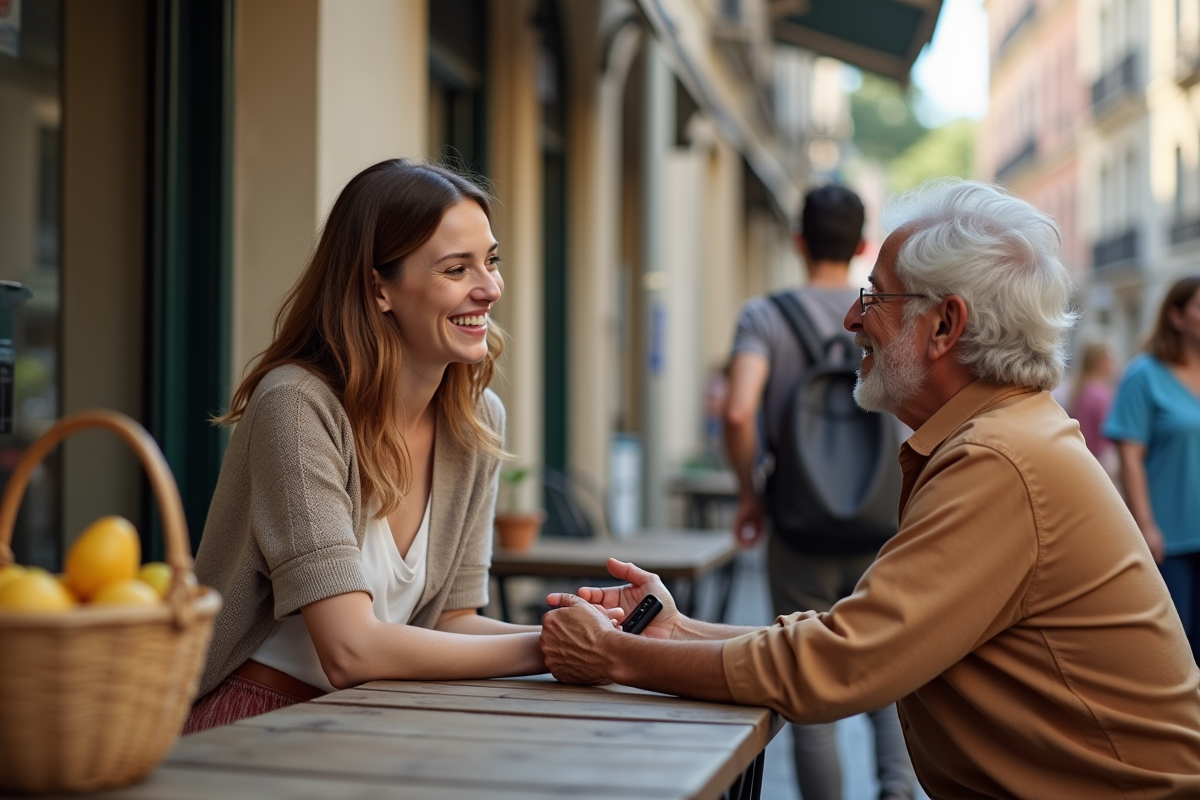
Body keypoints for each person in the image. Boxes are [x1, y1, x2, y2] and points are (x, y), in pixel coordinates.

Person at [540, 180, 1200, 799]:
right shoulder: (1006, 435)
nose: (853, 322)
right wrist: (673, 631)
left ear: (946, 325)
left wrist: (618, 657)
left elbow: (836, 665)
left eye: (875, 298)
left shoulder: (1002, 458)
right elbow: (846, 641)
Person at [185, 159, 552, 734]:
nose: (490, 288)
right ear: (379, 288)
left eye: (491, 261)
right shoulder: (297, 406)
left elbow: (452, 623)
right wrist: (552, 648)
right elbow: (349, 649)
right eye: (457, 269)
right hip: (256, 726)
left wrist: (580, 629)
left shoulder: (476, 421)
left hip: (376, 723)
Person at [722, 184, 914, 800]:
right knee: (888, 673)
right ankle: (896, 791)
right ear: (861, 243)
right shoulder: (886, 311)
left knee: (805, 679)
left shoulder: (765, 316)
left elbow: (736, 412)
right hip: (882, 523)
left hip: (798, 524)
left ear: (797, 240)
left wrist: (751, 493)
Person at [1105, 276, 1200, 664]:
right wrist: (1146, 525)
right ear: (1177, 317)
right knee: (1176, 655)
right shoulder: (1144, 374)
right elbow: (1130, 456)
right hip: (1170, 541)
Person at [1067, 341, 1117, 473]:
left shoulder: (1079, 390)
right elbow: (1107, 440)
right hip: (1099, 464)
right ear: (1100, 361)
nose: (1113, 364)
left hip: (1081, 459)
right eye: (1110, 358)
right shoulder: (1101, 395)